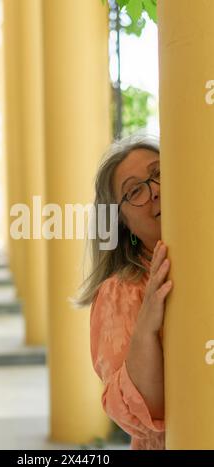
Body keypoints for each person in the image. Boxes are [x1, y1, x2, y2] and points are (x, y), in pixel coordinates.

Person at [74, 135, 173, 450]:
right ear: (123, 223)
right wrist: (146, 327)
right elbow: (148, 412)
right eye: (135, 191)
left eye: (159, 173)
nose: (155, 190)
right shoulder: (120, 293)